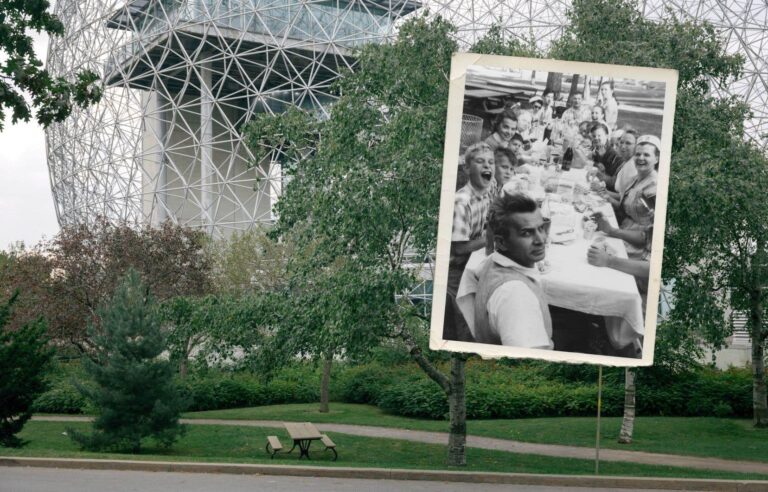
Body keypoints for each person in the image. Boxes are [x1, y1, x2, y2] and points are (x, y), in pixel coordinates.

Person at [470, 193, 553, 348]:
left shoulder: (491, 261)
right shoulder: (516, 296)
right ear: (501, 243)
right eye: (526, 233)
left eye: (541, 228)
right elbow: (529, 365)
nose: (541, 239)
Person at [445, 142, 495, 341]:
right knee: (469, 324)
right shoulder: (461, 202)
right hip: (456, 270)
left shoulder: (488, 191)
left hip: (474, 263)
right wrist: (491, 238)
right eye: (480, 162)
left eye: (491, 162)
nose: (487, 166)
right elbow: (458, 248)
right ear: (466, 169)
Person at [594, 135, 659, 260]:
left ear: (656, 158)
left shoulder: (653, 188)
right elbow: (627, 206)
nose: (640, 158)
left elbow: (650, 236)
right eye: (638, 154)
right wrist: (607, 196)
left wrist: (612, 231)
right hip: (624, 231)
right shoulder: (637, 178)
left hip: (636, 248)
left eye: (646, 155)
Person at [589, 121, 623, 191]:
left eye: (599, 135)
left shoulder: (615, 155)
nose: (596, 138)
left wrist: (598, 173)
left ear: (607, 136)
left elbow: (614, 183)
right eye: (594, 136)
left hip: (608, 191)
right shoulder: (597, 149)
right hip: (597, 185)